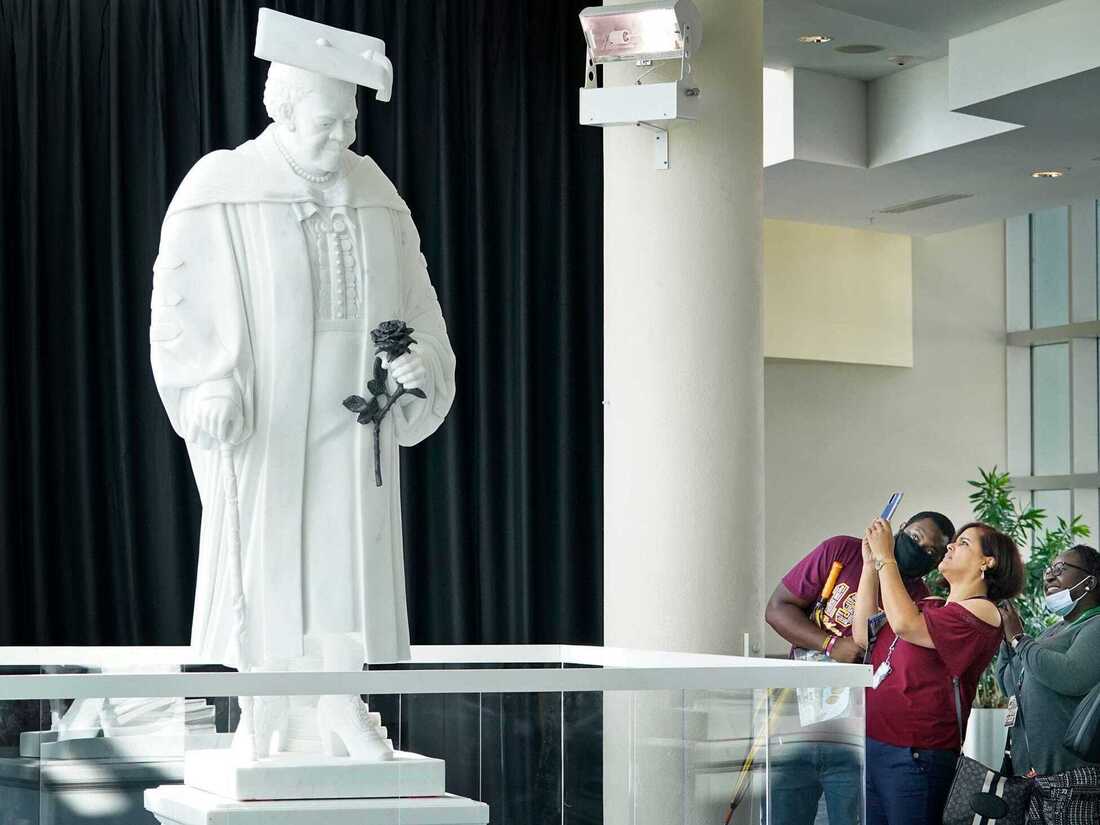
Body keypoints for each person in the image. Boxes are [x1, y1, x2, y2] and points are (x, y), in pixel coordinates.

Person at [149, 11, 456, 759]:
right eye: (325, 121)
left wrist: (417, 372)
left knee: (344, 558)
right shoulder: (222, 186)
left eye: (349, 120)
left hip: (354, 415)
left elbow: (416, 307)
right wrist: (209, 385)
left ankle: (340, 701)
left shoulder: (376, 191)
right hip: (271, 413)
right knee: (273, 551)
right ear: (279, 109)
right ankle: (270, 706)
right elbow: (179, 306)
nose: (341, 137)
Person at [763, 510, 955, 824]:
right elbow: (777, 609)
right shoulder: (841, 552)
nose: (920, 548)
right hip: (796, 722)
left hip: (857, 738)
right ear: (901, 527)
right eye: (916, 537)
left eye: (931, 551)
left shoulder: (916, 601)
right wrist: (829, 644)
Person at [854, 520, 1024, 825]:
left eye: (964, 543)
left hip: (916, 754)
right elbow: (863, 636)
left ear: (988, 562)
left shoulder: (984, 612)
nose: (950, 546)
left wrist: (887, 558)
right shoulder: (929, 605)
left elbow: (906, 625)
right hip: (876, 744)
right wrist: (870, 565)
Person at [996, 544, 1100, 776]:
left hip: (1071, 779)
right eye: (1049, 569)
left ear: (1090, 583)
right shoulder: (1050, 632)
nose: (1050, 575)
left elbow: (1072, 676)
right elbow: (1009, 686)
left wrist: (1020, 640)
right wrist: (1007, 643)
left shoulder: (1095, 625)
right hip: (1031, 777)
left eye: (1060, 568)